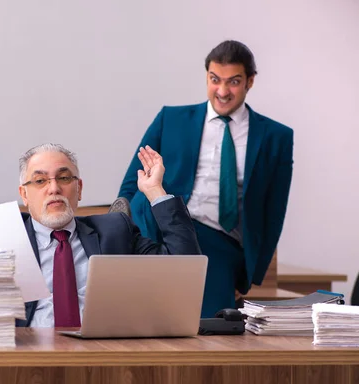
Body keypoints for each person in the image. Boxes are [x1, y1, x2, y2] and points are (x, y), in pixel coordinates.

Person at [117, 40, 294, 318]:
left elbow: (274, 212)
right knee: (137, 318)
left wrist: (249, 275)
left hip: (217, 244)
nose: (222, 91)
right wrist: (116, 236)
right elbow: (131, 183)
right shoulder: (171, 119)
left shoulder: (276, 137)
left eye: (234, 82)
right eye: (215, 80)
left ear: (250, 81)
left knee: (213, 327)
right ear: (206, 76)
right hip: (157, 229)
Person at [16, 143, 201, 328]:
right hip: (27, 350)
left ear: (79, 188)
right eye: (40, 181)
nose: (54, 188)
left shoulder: (114, 231)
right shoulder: (10, 239)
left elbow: (184, 268)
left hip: (101, 350)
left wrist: (155, 191)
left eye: (64, 178)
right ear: (24, 194)